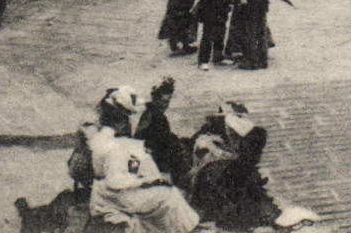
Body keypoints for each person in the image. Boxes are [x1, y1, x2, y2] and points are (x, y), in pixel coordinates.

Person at [188, 102, 315, 230]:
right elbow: (255, 139)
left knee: (243, 178)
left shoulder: (221, 144)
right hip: (214, 194)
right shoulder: (210, 142)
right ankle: (267, 219)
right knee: (238, 178)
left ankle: (269, 218)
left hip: (220, 191)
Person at [88, 96, 201, 233]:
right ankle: (188, 229)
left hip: (107, 193)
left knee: (164, 191)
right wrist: (147, 180)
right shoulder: (114, 145)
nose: (129, 124)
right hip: (116, 196)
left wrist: (141, 169)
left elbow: (129, 167)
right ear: (121, 122)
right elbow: (115, 181)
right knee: (169, 194)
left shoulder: (104, 137)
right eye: (127, 120)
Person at [135, 78, 192, 188]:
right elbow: (161, 142)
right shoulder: (156, 117)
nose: (165, 105)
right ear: (156, 99)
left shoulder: (150, 113)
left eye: (167, 102)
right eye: (163, 101)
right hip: (155, 158)